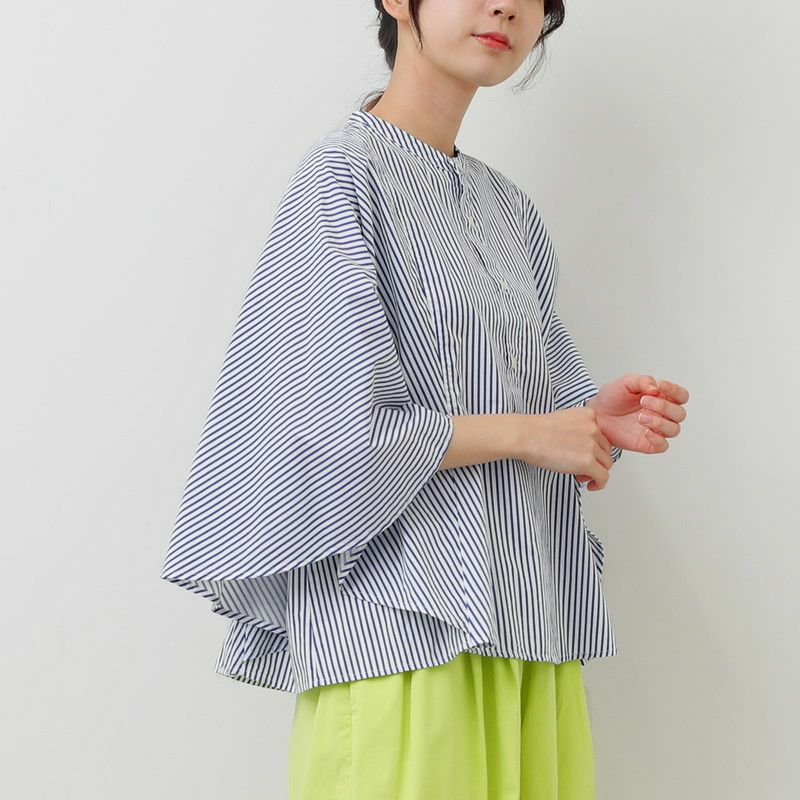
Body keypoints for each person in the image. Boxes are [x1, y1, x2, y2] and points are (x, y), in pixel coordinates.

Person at [160, 1, 689, 797]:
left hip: (529, 629)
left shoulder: (509, 210)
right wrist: (528, 434)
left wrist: (594, 420)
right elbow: (332, 432)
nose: (506, 7)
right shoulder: (342, 177)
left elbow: (543, 409)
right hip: (399, 631)